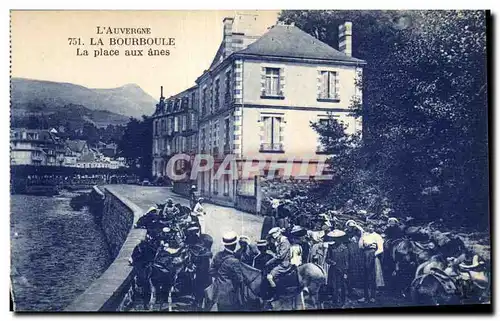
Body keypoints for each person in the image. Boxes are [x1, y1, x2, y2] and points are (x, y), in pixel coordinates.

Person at [208, 231, 244, 311]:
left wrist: (221, 276)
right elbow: (239, 279)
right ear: (234, 245)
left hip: (218, 292)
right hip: (230, 295)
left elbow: (211, 271)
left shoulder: (218, 255)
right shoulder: (234, 261)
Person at [358, 223, 385, 303]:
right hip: (364, 255)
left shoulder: (377, 236)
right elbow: (360, 246)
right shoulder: (365, 235)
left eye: (372, 226)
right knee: (365, 276)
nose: (370, 228)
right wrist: (362, 237)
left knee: (372, 276)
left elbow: (380, 249)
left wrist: (373, 255)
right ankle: (365, 297)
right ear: (366, 227)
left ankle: (373, 296)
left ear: (374, 228)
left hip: (373, 256)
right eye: (368, 226)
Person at [324, 230, 350, 308]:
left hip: (342, 269)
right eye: (335, 238)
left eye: (338, 238)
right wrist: (332, 262)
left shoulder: (344, 248)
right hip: (333, 269)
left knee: (343, 286)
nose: (336, 240)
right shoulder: (331, 247)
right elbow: (327, 259)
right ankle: (335, 301)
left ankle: (343, 301)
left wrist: (345, 272)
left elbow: (347, 261)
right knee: (334, 285)